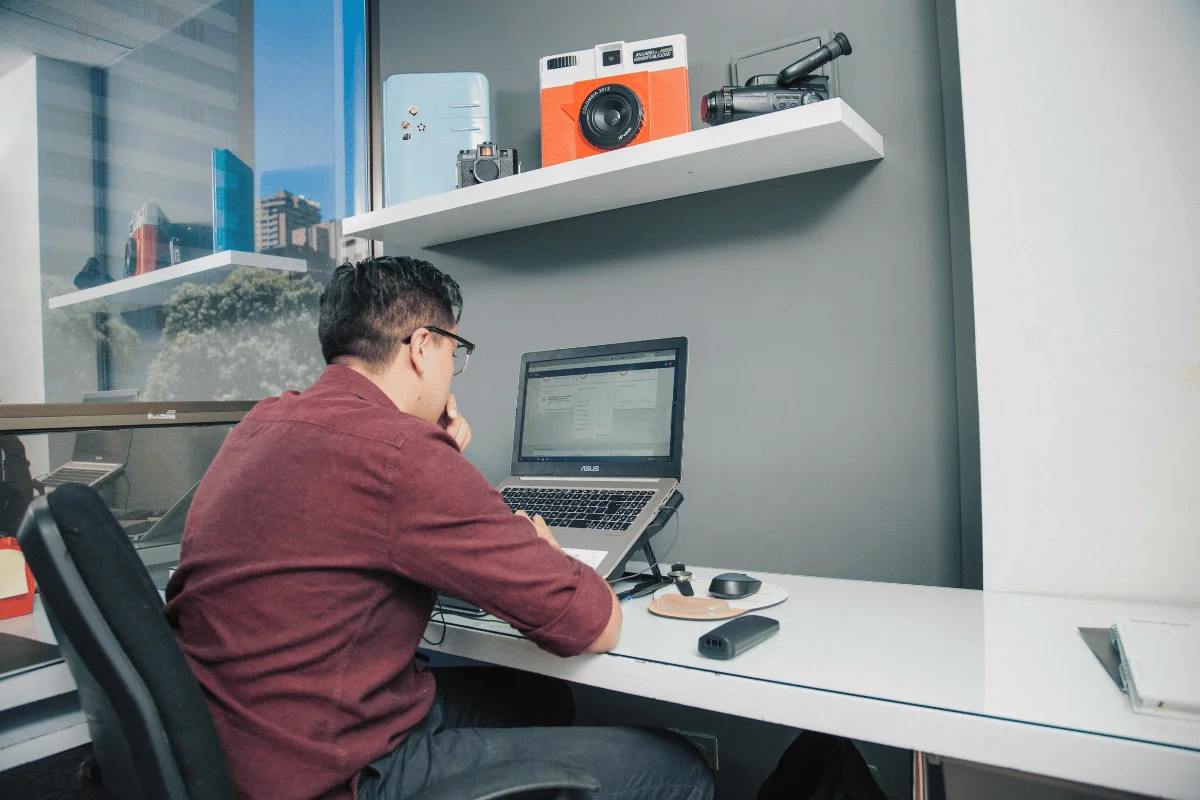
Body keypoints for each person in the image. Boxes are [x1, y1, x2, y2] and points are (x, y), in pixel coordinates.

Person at [165, 256, 713, 800]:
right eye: (456, 351)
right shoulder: (401, 454)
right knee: (678, 767)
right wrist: (545, 551)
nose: (454, 370)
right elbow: (594, 626)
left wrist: (437, 470)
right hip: (335, 775)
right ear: (423, 347)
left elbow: (349, 522)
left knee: (540, 700)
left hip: (235, 748)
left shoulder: (261, 425)